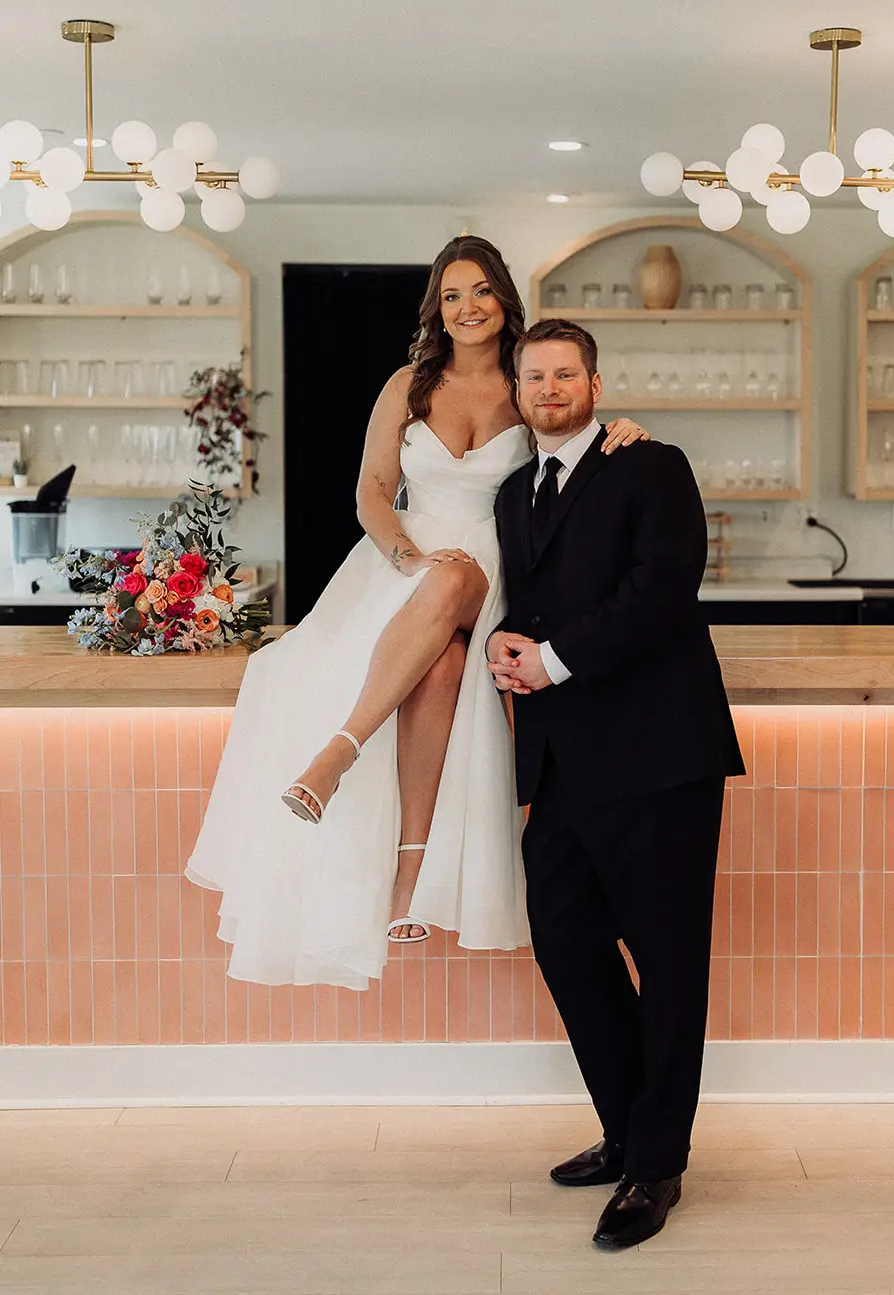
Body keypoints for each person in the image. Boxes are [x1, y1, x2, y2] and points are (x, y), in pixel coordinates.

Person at [185, 238, 648, 985]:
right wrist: (407, 558)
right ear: (438, 306)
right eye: (453, 294)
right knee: (445, 669)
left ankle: (337, 754)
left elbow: (578, 436)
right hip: (404, 565)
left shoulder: (527, 383)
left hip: (499, 574)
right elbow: (372, 491)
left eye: (483, 292)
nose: (468, 308)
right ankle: (410, 874)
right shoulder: (409, 383)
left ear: (504, 300)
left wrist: (625, 433)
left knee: (461, 576)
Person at [487, 318, 744, 1251]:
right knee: (565, 943)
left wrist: (551, 660)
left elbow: (666, 589)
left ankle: (656, 1166)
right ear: (517, 391)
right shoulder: (515, 489)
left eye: (566, 374)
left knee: (670, 964)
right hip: (559, 763)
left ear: (596, 383)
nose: (550, 389)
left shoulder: (651, 464)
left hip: (659, 756)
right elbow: (518, 602)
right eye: (535, 377)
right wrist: (502, 647)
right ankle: (627, 1129)